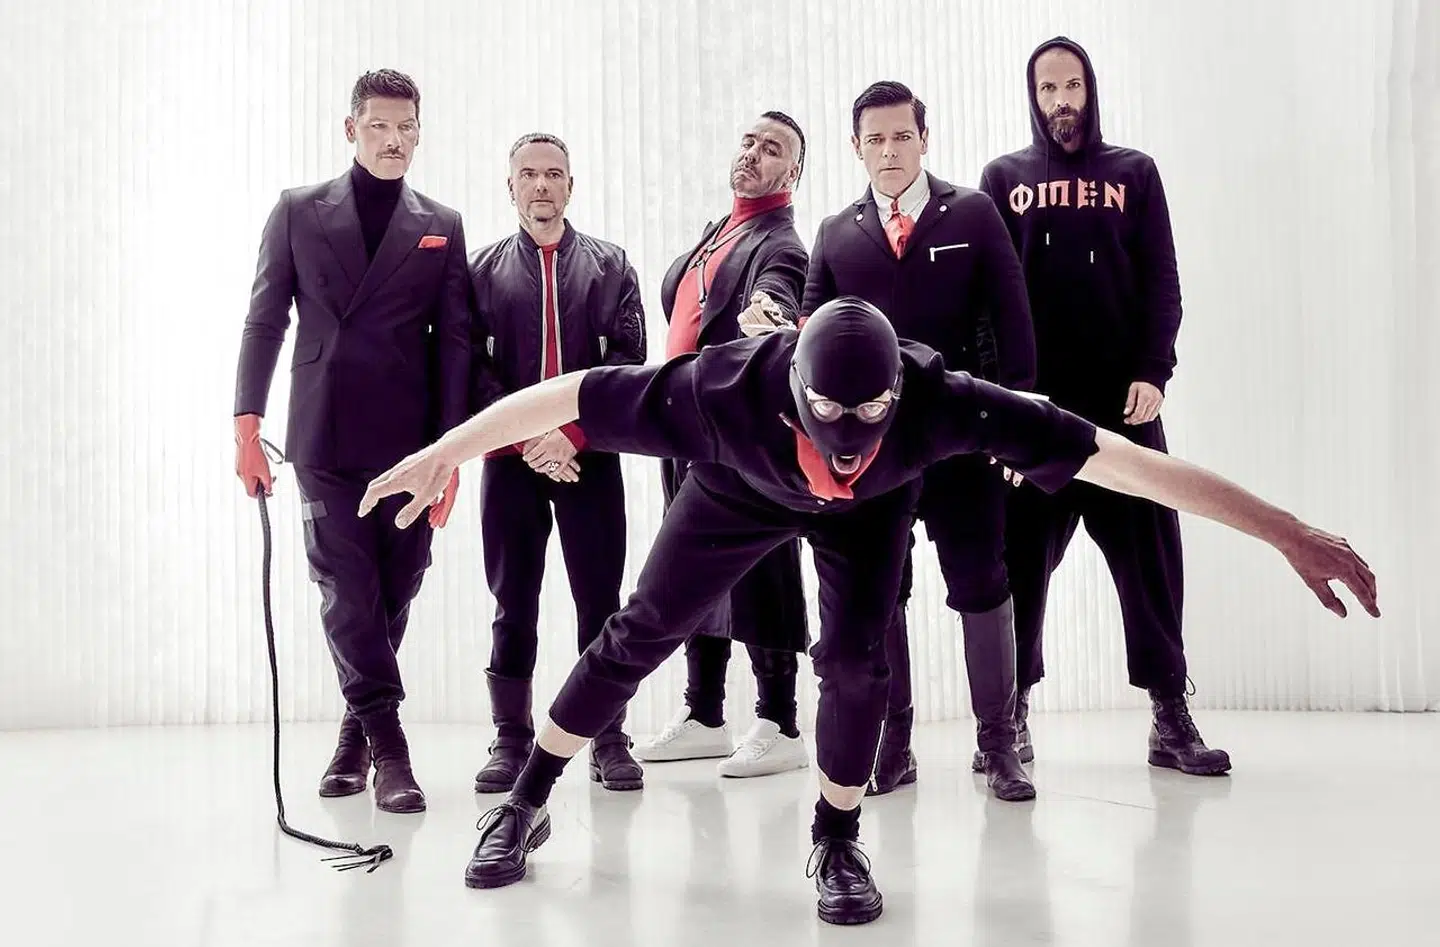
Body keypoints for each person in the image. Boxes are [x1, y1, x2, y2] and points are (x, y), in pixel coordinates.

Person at [356, 297, 1378, 926]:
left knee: (855, 663)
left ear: (899, 398)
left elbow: (1123, 462)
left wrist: (1285, 530)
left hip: (871, 519)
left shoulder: (947, 401)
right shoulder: (718, 391)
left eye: (870, 416)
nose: (847, 439)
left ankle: (836, 836)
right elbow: (567, 394)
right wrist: (445, 451)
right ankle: (525, 798)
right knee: (639, 634)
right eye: (830, 418)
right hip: (739, 489)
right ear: (794, 393)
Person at [978, 36, 1221, 775]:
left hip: (1123, 408)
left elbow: (1163, 280)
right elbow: (988, 303)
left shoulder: (1134, 173)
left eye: (1073, 86)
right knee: (1019, 566)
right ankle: (1009, 718)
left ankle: (1170, 715)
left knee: (1152, 565)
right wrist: (1003, 402)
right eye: (1048, 89)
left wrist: (1155, 370)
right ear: (1033, 97)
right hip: (1038, 415)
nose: (1062, 101)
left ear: (1091, 89)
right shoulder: (1003, 179)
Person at [232, 68, 470, 813]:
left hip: (411, 442)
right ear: (351, 129)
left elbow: (455, 344)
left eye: (406, 128)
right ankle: (391, 750)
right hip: (324, 433)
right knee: (346, 590)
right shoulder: (298, 211)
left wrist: (451, 455)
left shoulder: (442, 222)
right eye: (379, 127)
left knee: (395, 589)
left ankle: (351, 736)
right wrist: (246, 424)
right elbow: (265, 318)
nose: (394, 140)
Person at [798, 80, 1040, 801]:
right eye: (875, 139)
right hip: (874, 451)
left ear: (924, 139)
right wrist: (821, 447)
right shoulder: (835, 234)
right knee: (882, 593)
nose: (890, 151)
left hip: (962, 439)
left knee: (982, 584)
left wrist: (1015, 426)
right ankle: (893, 744)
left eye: (902, 136)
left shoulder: (973, 212)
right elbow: (810, 347)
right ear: (856, 147)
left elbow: (1013, 319)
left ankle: (999, 744)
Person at [467, 132, 648, 794]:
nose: (541, 185)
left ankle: (608, 735)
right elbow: (470, 370)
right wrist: (527, 441)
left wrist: (572, 433)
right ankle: (511, 737)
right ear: (510, 186)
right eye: (529, 175)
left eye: (553, 174)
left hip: (587, 457)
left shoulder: (611, 265)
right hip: (510, 462)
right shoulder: (480, 272)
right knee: (512, 600)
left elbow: (628, 365)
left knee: (600, 601)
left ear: (571, 185)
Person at [633, 111, 812, 779]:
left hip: (742, 433)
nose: (754, 153)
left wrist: (771, 313)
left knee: (763, 566)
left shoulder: (782, 242)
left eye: (773, 149)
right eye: (749, 141)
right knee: (690, 567)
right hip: (686, 427)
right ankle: (705, 714)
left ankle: (780, 722)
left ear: (793, 172)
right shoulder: (719, 230)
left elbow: (778, 291)